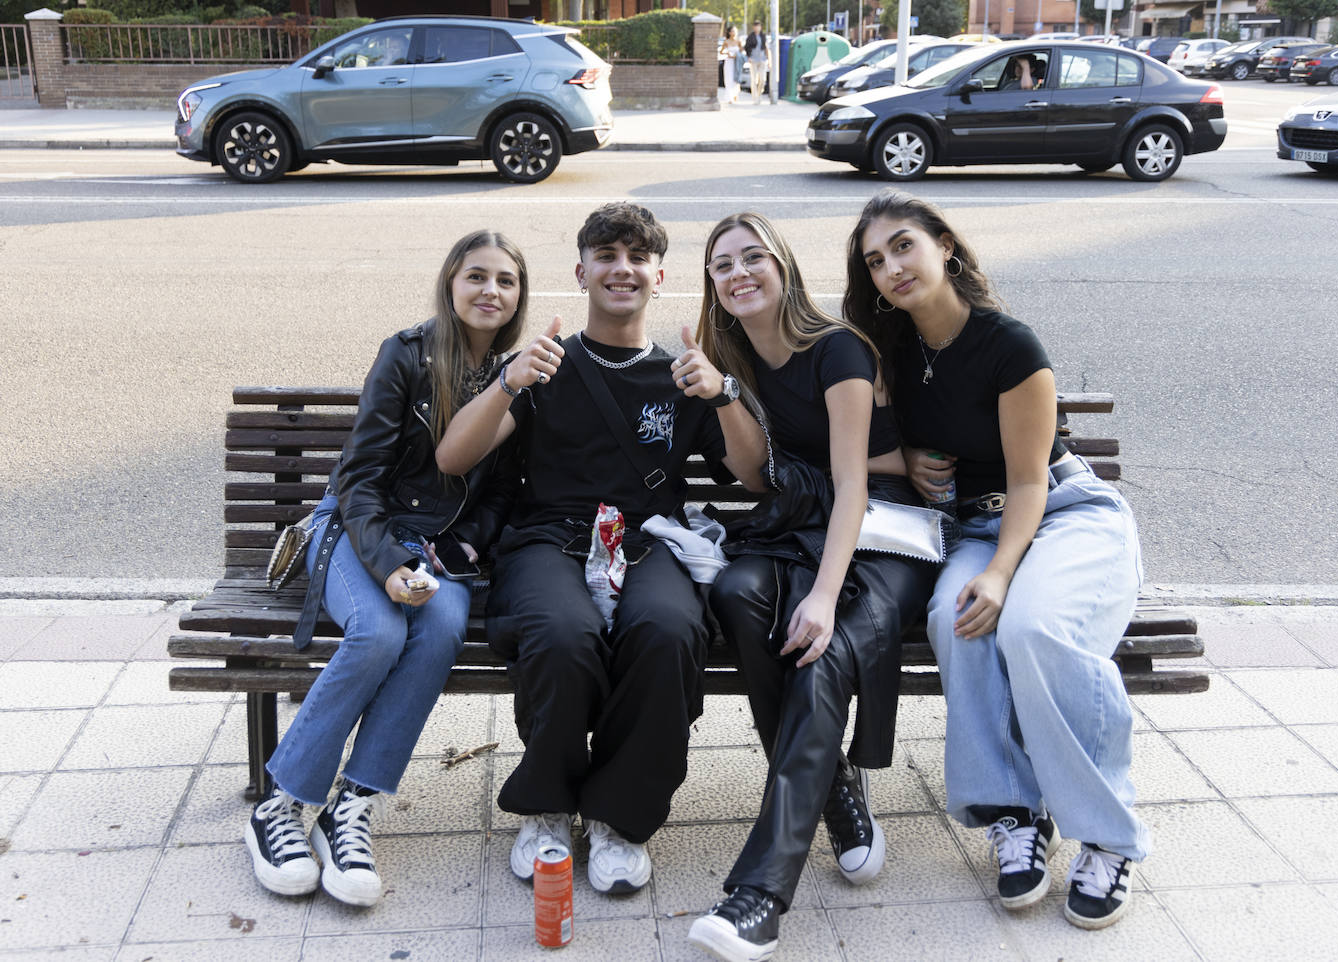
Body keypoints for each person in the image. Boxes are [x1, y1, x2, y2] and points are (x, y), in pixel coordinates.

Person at [434, 202, 768, 895]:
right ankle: (549, 805)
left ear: (659, 275)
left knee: (670, 631)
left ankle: (620, 816)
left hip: (649, 542)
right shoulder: (546, 366)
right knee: (563, 635)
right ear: (581, 271)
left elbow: (756, 475)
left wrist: (723, 392)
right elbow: (453, 457)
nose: (622, 269)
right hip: (549, 541)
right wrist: (508, 380)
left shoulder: (680, 377)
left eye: (637, 257)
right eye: (607, 256)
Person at [844, 189, 1147, 931]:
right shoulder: (891, 351)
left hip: (1062, 518)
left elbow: (1027, 480)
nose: (891, 269)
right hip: (972, 532)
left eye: (903, 247)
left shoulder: (1008, 344)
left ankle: (1109, 835)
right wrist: (908, 455)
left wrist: (1003, 575)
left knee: (1031, 629)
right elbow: (879, 443)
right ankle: (1016, 813)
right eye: (875, 261)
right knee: (958, 619)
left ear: (944, 245)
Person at [244, 230, 526, 907]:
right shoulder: (405, 356)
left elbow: (502, 494)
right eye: (476, 276)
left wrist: (461, 549)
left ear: (519, 296)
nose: (491, 290)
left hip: (441, 547)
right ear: (451, 283)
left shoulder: (517, 378)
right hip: (355, 528)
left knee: (440, 626)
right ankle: (280, 805)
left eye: (507, 281)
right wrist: (391, 561)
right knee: (378, 632)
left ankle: (353, 805)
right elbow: (360, 477)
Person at [686, 212, 936, 962]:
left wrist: (824, 597)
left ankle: (759, 895)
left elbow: (856, 484)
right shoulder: (735, 355)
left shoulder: (839, 350)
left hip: (884, 533)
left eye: (753, 257)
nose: (739, 273)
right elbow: (758, 478)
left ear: (784, 267)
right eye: (723, 264)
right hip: (800, 522)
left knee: (819, 647)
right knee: (735, 592)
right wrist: (727, 392)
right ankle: (832, 787)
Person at [744, 21, 769, 103]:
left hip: (762, 59)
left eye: (758, 26)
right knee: (754, 79)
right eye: (755, 26)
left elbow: (766, 47)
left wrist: (768, 58)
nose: (757, 28)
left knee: (762, 79)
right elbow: (746, 47)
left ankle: (759, 94)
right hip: (753, 59)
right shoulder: (750, 36)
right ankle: (754, 98)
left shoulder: (763, 36)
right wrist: (749, 57)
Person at [721, 25, 743, 104]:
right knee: (728, 79)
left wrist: (737, 55)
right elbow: (721, 51)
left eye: (735, 31)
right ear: (730, 33)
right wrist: (727, 53)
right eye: (733, 31)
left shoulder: (738, 41)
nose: (734, 33)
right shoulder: (726, 42)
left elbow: (741, 51)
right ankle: (729, 97)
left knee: (735, 79)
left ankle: (735, 94)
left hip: (736, 62)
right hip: (729, 62)